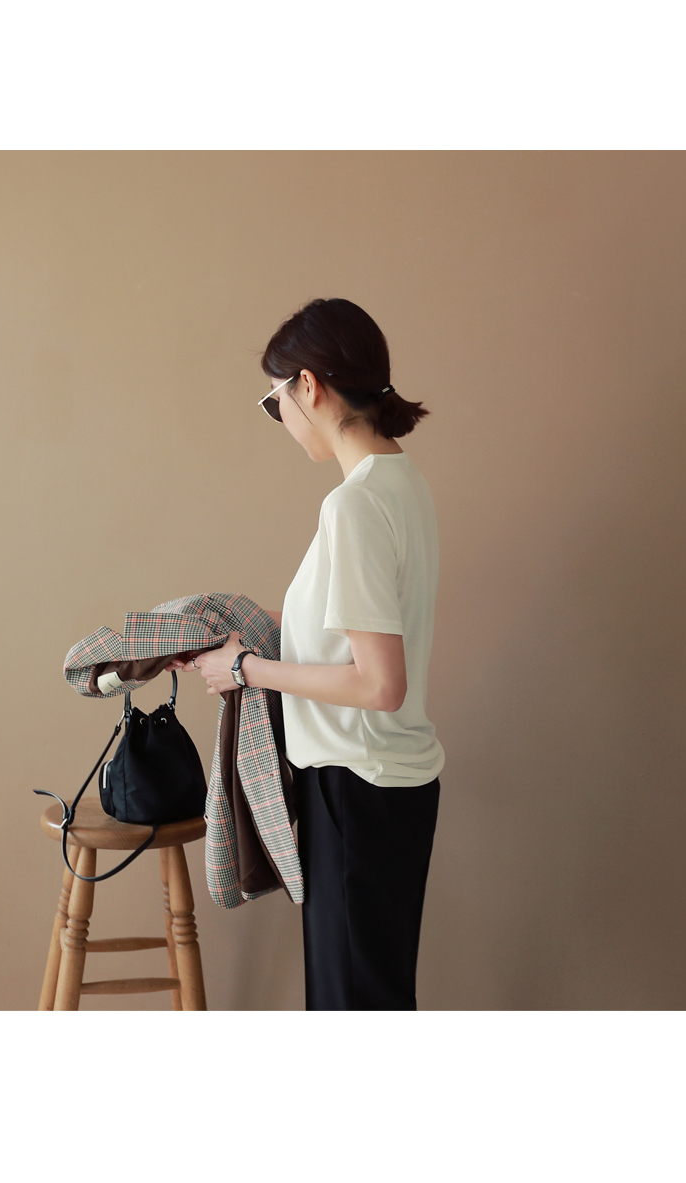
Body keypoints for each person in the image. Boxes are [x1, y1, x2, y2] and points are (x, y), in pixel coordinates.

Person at [168, 297, 445, 1010]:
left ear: (310, 386)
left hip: (355, 785)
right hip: (387, 786)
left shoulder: (353, 505)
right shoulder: (401, 484)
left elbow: (378, 682)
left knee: (349, 1004)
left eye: (275, 402)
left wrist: (244, 670)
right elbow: (351, 627)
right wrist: (234, 635)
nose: (282, 419)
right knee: (372, 998)